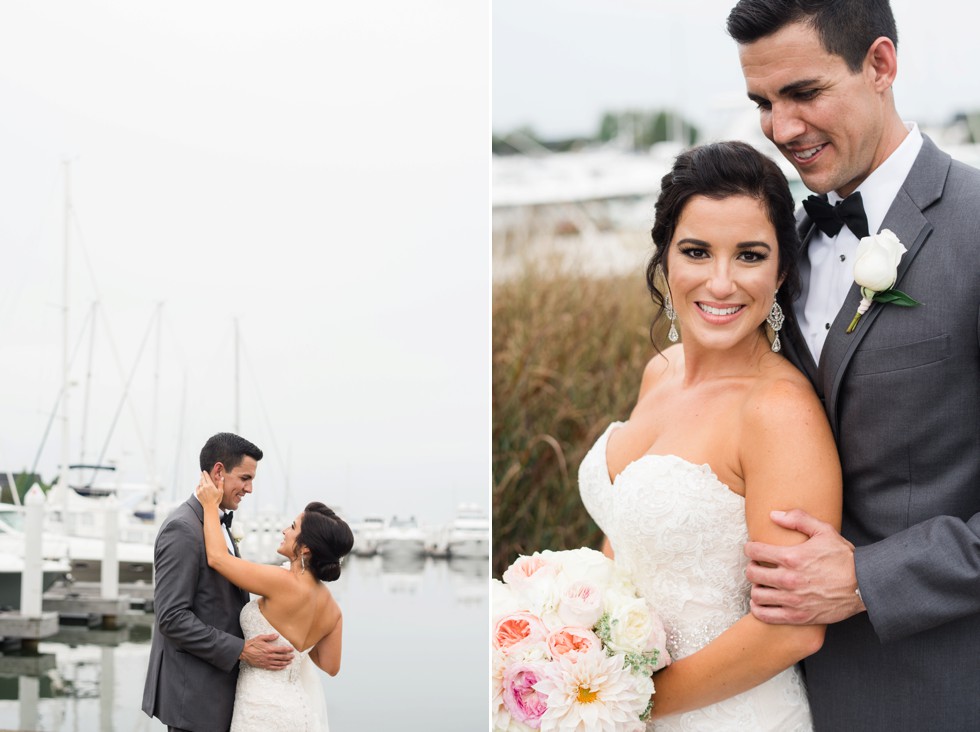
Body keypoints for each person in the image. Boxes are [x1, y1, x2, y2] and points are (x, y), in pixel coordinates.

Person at [726, 1, 980, 729]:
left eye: (803, 94)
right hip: (777, 693)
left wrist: (869, 578)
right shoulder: (778, 252)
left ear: (880, 66)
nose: (780, 130)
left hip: (940, 694)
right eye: (763, 104)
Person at [579, 140, 842, 730]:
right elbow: (627, 535)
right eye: (697, 251)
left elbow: (793, 630)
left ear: (781, 272)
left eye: (749, 256)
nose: (721, 283)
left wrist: (615, 706)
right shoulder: (661, 371)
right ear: (665, 259)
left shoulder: (777, 412)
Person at [142, 432, 293, 732]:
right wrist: (240, 649)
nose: (250, 489)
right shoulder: (182, 529)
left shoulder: (213, 522)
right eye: (245, 478)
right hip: (194, 699)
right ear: (219, 472)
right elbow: (171, 618)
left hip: (216, 696)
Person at [195, 470, 353, 732]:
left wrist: (210, 505)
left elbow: (217, 559)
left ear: (305, 549)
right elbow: (330, 666)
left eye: (292, 527)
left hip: (261, 712)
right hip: (297, 712)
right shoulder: (333, 610)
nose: (284, 530)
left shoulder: (281, 582)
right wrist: (299, 639)